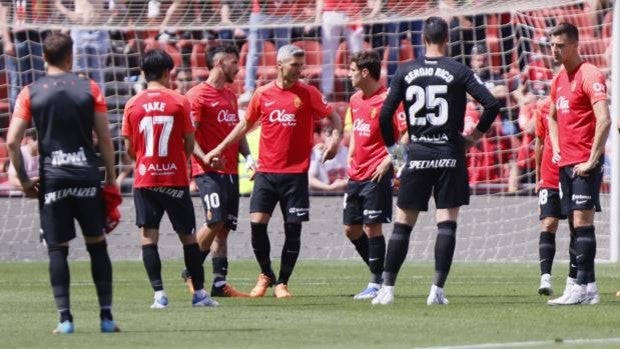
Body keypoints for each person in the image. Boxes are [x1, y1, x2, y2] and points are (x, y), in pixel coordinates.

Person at [374, 16, 500, 305]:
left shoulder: (406, 71)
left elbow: (384, 115)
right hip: (449, 154)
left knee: (403, 224)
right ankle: (437, 291)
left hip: (417, 153)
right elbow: (492, 103)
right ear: (447, 40)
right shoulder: (458, 70)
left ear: (423, 39)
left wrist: (395, 154)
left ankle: (388, 289)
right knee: (446, 223)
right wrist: (474, 137)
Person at [204, 44, 343, 298]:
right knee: (257, 225)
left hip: (296, 174)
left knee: (293, 227)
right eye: (295, 65)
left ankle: (282, 282)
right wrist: (220, 147)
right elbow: (244, 125)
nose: (300, 70)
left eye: (302, 65)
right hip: (266, 172)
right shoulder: (262, 94)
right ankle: (266, 273)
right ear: (280, 65)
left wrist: (335, 140)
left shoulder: (308, 93)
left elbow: (334, 118)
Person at [6, 32, 120, 334]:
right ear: (71, 57)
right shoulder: (90, 87)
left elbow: (12, 142)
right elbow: (105, 139)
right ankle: (106, 318)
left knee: (58, 250)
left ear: (44, 58)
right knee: (97, 245)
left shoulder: (31, 91)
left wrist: (27, 180)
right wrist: (110, 177)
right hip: (85, 176)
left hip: (53, 180)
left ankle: (66, 319)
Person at [121, 49, 218, 309]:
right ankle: (198, 294)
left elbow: (129, 146)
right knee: (188, 237)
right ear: (167, 72)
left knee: (149, 237)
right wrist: (175, 161)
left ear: (142, 72)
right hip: (174, 178)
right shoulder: (179, 101)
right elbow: (189, 143)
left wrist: (145, 161)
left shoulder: (133, 104)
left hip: (145, 179)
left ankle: (159, 295)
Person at [181, 44, 254, 298]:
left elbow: (237, 133)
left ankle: (219, 283)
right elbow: (189, 137)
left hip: (231, 171)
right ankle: (191, 270)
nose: (238, 67)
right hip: (206, 172)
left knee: (223, 229)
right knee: (215, 220)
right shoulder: (197, 96)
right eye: (235, 62)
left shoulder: (231, 95)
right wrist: (205, 159)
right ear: (221, 62)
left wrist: (249, 158)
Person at [546, 22, 610, 305]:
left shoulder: (590, 74)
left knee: (582, 224)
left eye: (559, 45)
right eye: (552, 45)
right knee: (574, 225)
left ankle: (581, 288)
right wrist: (557, 149)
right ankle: (585, 287)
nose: (554, 50)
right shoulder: (558, 79)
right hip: (566, 163)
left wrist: (592, 160)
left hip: (585, 163)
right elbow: (551, 117)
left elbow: (604, 120)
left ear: (574, 45)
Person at [344, 50, 406, 299]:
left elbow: (406, 133)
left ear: (365, 72)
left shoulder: (390, 100)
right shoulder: (355, 100)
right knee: (351, 229)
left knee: (372, 227)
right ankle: (378, 272)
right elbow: (356, 134)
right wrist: (349, 155)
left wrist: (391, 162)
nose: (349, 75)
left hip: (377, 174)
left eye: (351, 70)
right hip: (355, 174)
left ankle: (376, 283)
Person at [308, 118, 348, 193]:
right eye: (329, 134)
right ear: (322, 136)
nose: (333, 139)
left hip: (343, 195)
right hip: (322, 197)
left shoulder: (347, 152)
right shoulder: (317, 154)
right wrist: (329, 188)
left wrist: (344, 182)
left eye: (336, 135)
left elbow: (356, 176)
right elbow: (309, 179)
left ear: (342, 136)